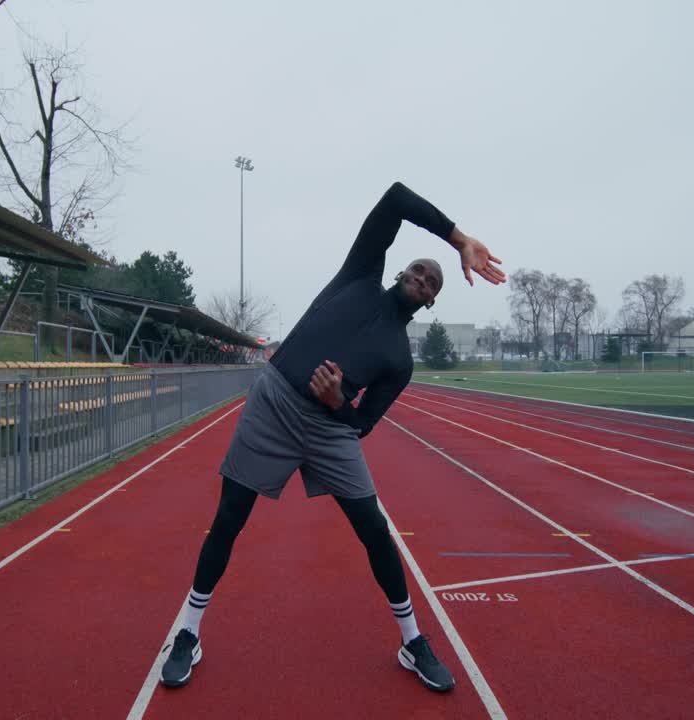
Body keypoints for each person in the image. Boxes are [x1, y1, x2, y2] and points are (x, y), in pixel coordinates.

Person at [159, 181, 506, 691]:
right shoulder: (360, 276)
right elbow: (395, 199)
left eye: (432, 283)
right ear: (400, 272)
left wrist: (338, 402)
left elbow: (361, 425)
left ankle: (412, 642)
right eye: (418, 270)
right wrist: (459, 241)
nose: (423, 279)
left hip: (329, 430)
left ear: (431, 301)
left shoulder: (400, 360)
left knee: (373, 529)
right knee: (229, 517)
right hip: (274, 403)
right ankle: (188, 632)